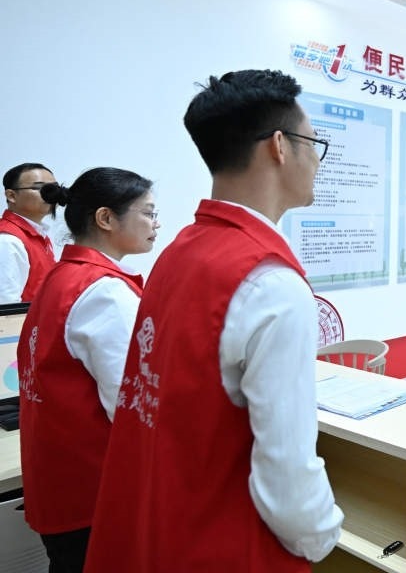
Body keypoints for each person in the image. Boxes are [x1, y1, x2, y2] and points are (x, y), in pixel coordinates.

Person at [84, 70, 343, 571]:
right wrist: (323, 535)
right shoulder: (272, 283)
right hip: (225, 542)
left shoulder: (179, 251)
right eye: (314, 143)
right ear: (279, 147)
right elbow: (287, 476)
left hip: (160, 526)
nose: (317, 160)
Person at [17, 168, 159, 572]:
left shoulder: (61, 276)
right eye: (148, 213)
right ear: (106, 218)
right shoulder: (106, 294)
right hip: (96, 490)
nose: (157, 224)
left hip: (59, 483)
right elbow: (132, 409)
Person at [1, 163, 58, 303]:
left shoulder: (38, 234)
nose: (51, 194)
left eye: (53, 188)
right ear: (11, 196)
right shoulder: (7, 241)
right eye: (40, 188)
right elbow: (6, 307)